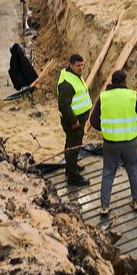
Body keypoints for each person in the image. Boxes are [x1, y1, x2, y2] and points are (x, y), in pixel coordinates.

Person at [90, 69, 137, 216]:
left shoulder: (104, 97)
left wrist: (106, 129)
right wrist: (135, 127)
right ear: (124, 82)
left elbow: (93, 121)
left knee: (108, 173)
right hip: (130, 142)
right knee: (134, 171)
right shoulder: (132, 95)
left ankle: (104, 206)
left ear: (112, 81)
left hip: (110, 143)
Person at [57, 54, 93, 186]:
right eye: (78, 65)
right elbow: (64, 106)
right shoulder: (67, 84)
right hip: (73, 121)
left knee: (72, 145)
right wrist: (74, 122)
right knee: (73, 147)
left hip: (78, 120)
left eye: (82, 65)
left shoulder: (72, 75)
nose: (81, 68)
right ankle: (73, 177)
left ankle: (71, 168)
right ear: (71, 64)